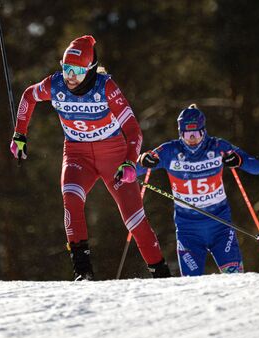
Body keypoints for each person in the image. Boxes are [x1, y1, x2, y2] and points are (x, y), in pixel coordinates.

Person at [10, 35, 171, 280]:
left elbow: (133, 130)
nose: (70, 76)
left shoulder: (106, 87)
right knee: (71, 199)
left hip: (114, 156)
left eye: (77, 70)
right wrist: (19, 134)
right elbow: (28, 96)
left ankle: (161, 272)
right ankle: (82, 271)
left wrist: (129, 160)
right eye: (66, 68)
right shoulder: (55, 85)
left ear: (91, 69)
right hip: (77, 154)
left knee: (133, 218)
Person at [137, 104, 259, 276]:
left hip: (221, 227)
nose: (193, 140)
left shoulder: (218, 147)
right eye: (188, 135)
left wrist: (239, 160)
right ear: (180, 134)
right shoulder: (170, 151)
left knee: (235, 279)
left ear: (204, 131)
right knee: (192, 286)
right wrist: (143, 159)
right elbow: (133, 170)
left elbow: (257, 168)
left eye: (197, 134)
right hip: (188, 232)